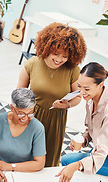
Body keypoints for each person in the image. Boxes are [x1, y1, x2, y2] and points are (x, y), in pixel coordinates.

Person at [17, 22, 87, 167]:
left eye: (64, 56)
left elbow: (78, 96)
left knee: (48, 160)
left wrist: (67, 104)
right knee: (24, 156)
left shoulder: (72, 70)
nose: (59, 59)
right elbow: (18, 94)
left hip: (56, 119)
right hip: (31, 116)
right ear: (46, 48)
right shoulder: (32, 64)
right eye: (55, 53)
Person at [56, 62, 108, 182]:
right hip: (104, 150)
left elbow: (101, 153)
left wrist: (76, 166)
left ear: (100, 85)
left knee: (67, 162)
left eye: (86, 89)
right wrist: (84, 138)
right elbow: (92, 128)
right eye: (79, 86)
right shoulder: (91, 99)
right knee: (69, 161)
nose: (82, 92)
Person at [0, 88, 46, 182]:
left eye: (30, 113)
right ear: (12, 108)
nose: (25, 118)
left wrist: (10, 166)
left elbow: (39, 163)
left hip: (24, 172)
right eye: (21, 113)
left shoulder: (37, 128)